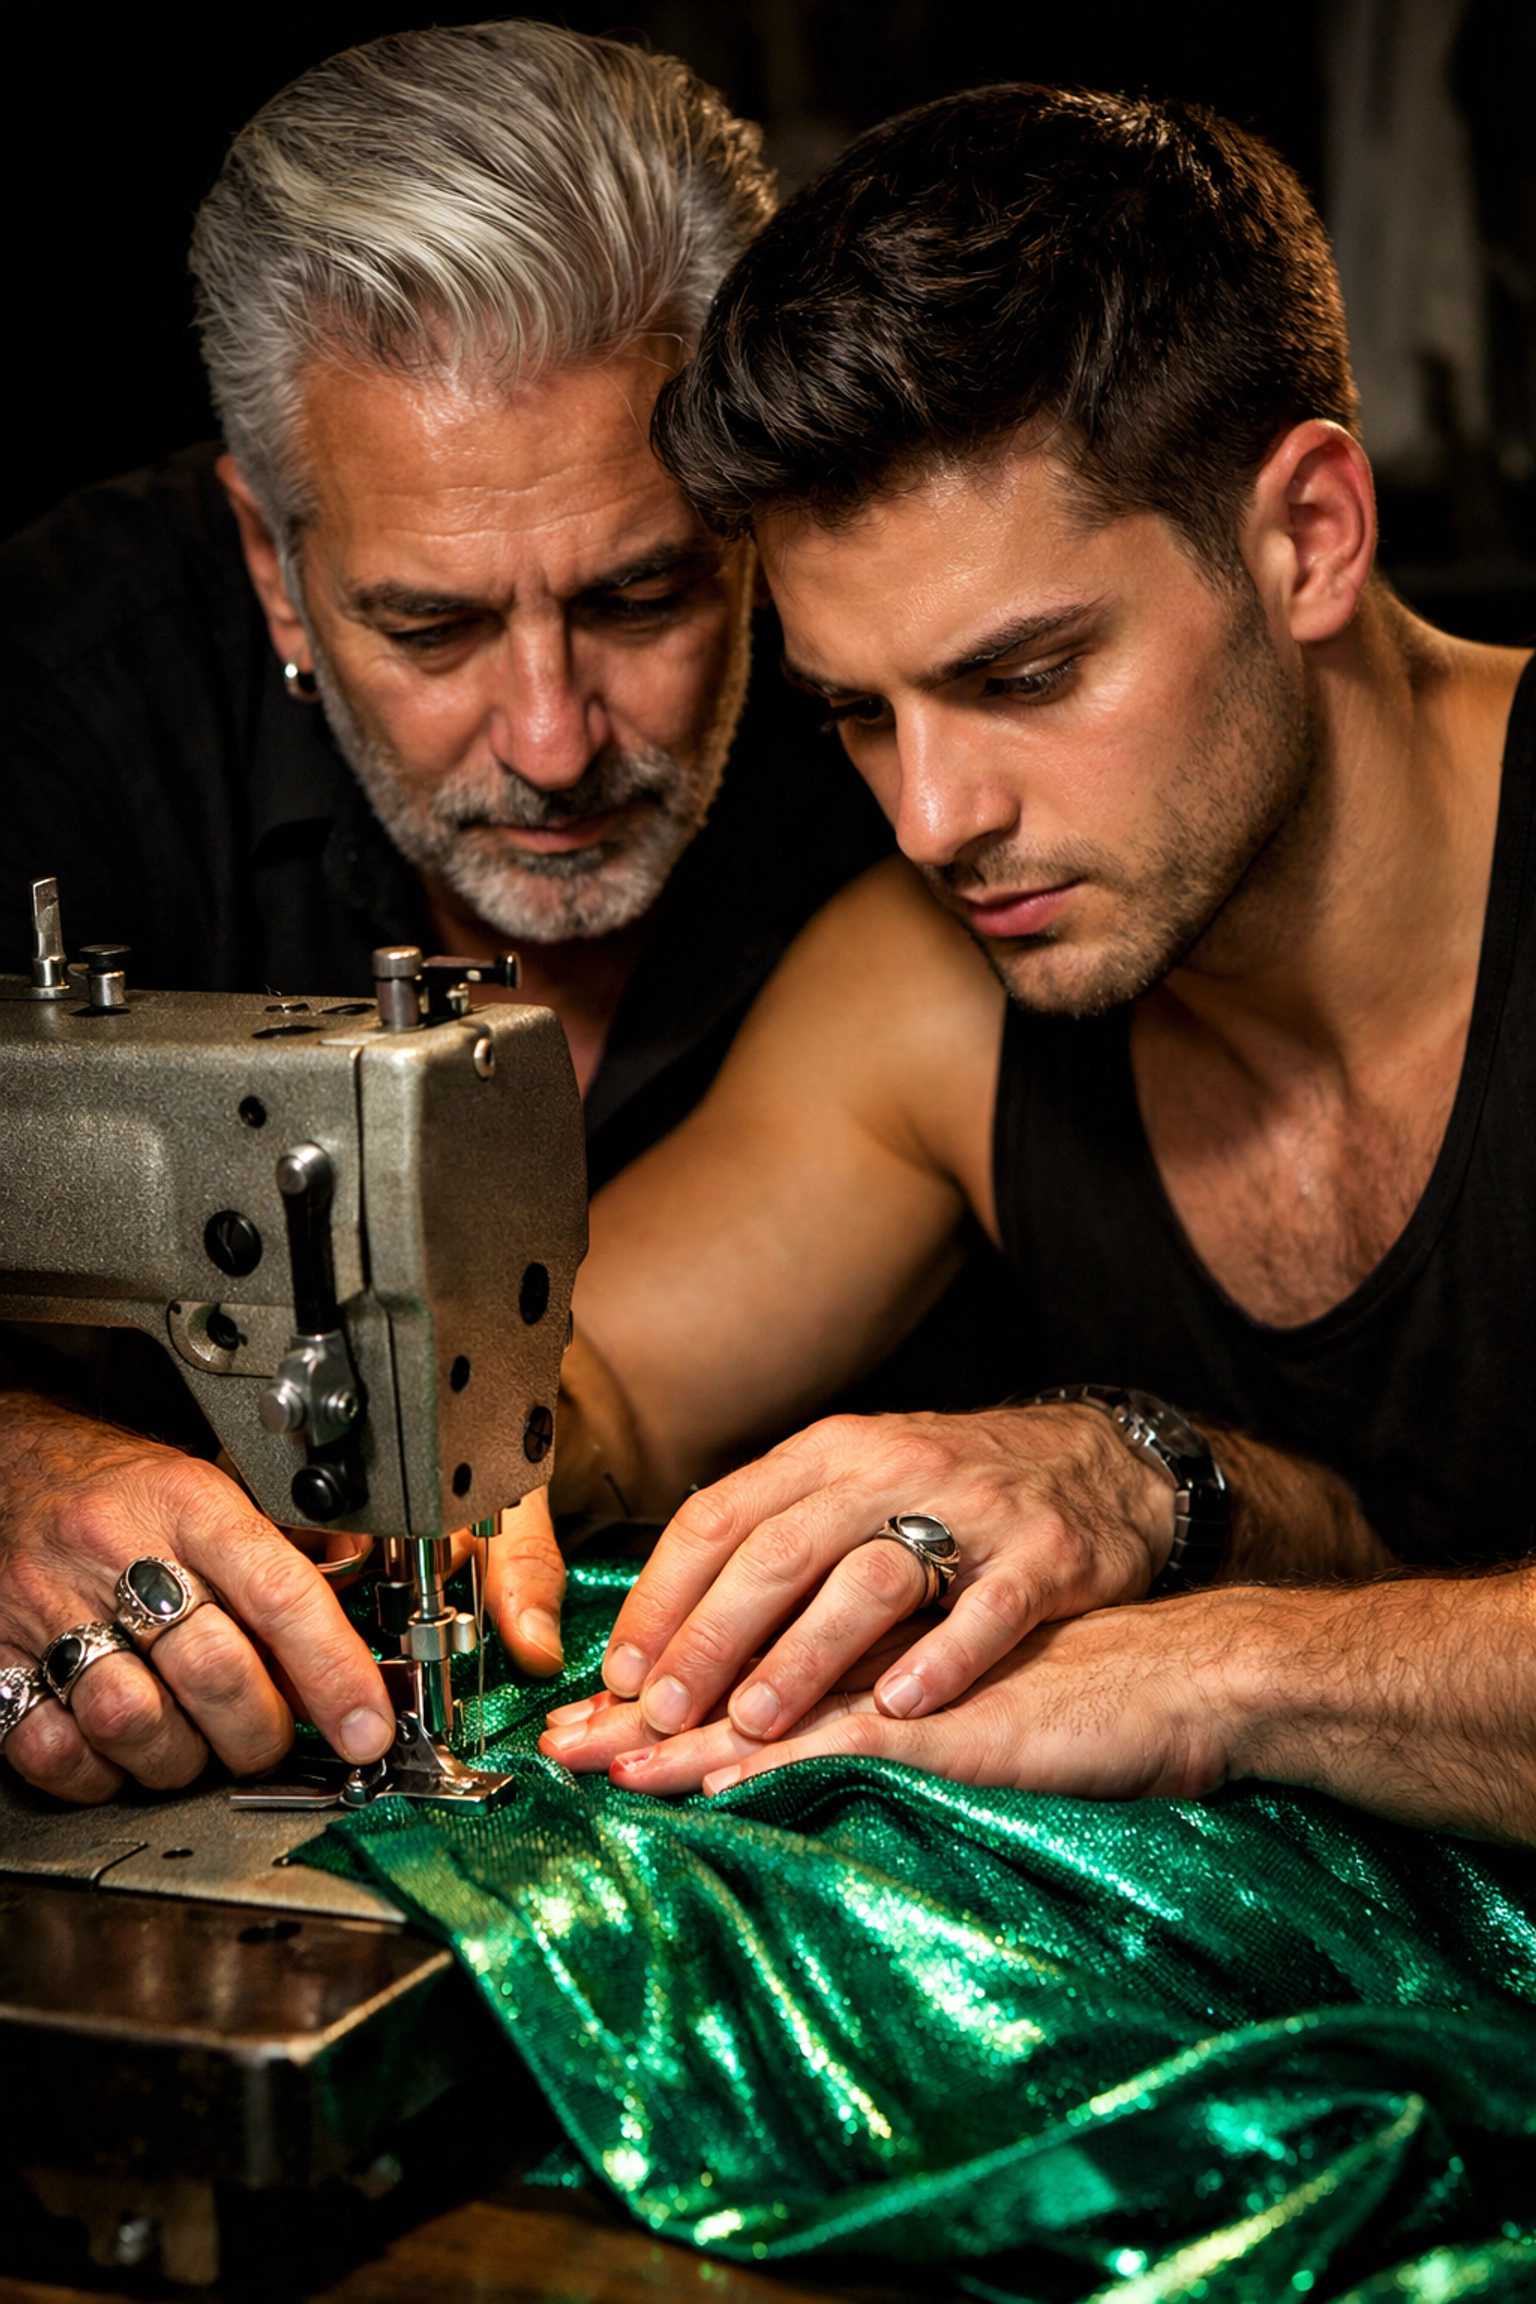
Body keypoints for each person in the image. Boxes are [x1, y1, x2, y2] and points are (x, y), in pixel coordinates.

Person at [513, 85, 1536, 1845]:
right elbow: (571, 1388)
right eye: (856, 712)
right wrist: (418, 1508)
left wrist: (1215, 1670)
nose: (931, 817)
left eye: (1027, 677)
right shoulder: (925, 994)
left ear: (1308, 534)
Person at [0, 21, 926, 1807]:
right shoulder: (64, 698)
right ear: (275, 564)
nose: (557, 739)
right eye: (428, 629)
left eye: (645, 593)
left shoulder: (922, 745)